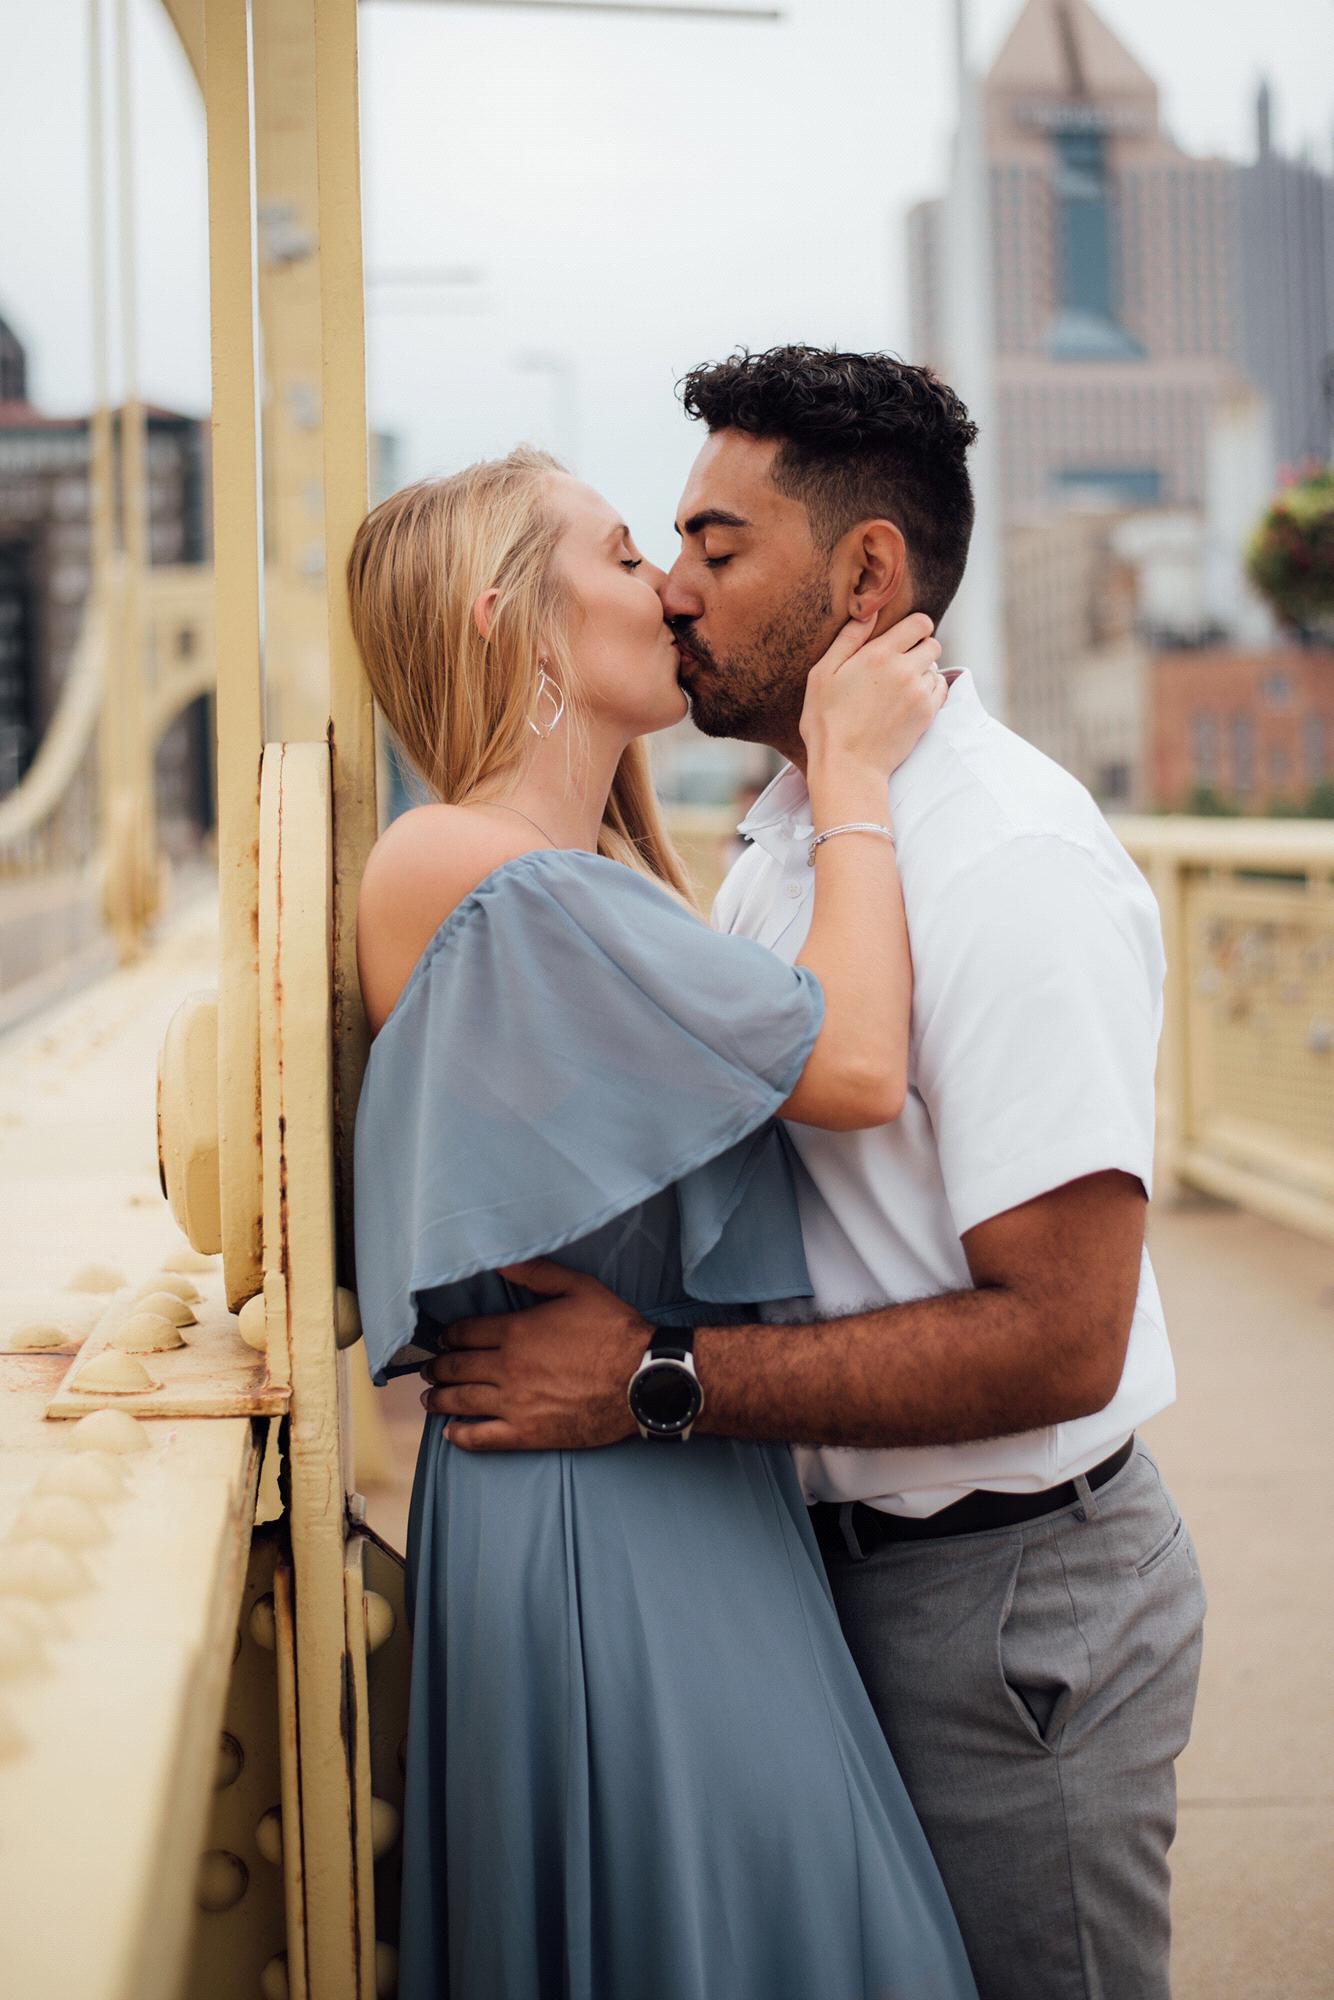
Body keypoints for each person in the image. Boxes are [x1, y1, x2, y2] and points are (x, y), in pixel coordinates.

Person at [420, 349, 1209, 2000]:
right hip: (823, 1574)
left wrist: (647, 1381)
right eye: (663, 556)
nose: (679, 592)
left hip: (1006, 1618)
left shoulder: (1003, 863)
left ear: (864, 576)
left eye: (717, 549)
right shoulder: (792, 838)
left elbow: (1062, 1338)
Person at [348, 446, 978, 2000]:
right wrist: (851, 772)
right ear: (515, 618)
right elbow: (852, 1062)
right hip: (595, 1514)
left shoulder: (586, 871)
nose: (668, 588)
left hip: (652, 1479)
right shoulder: (472, 864)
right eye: (626, 554)